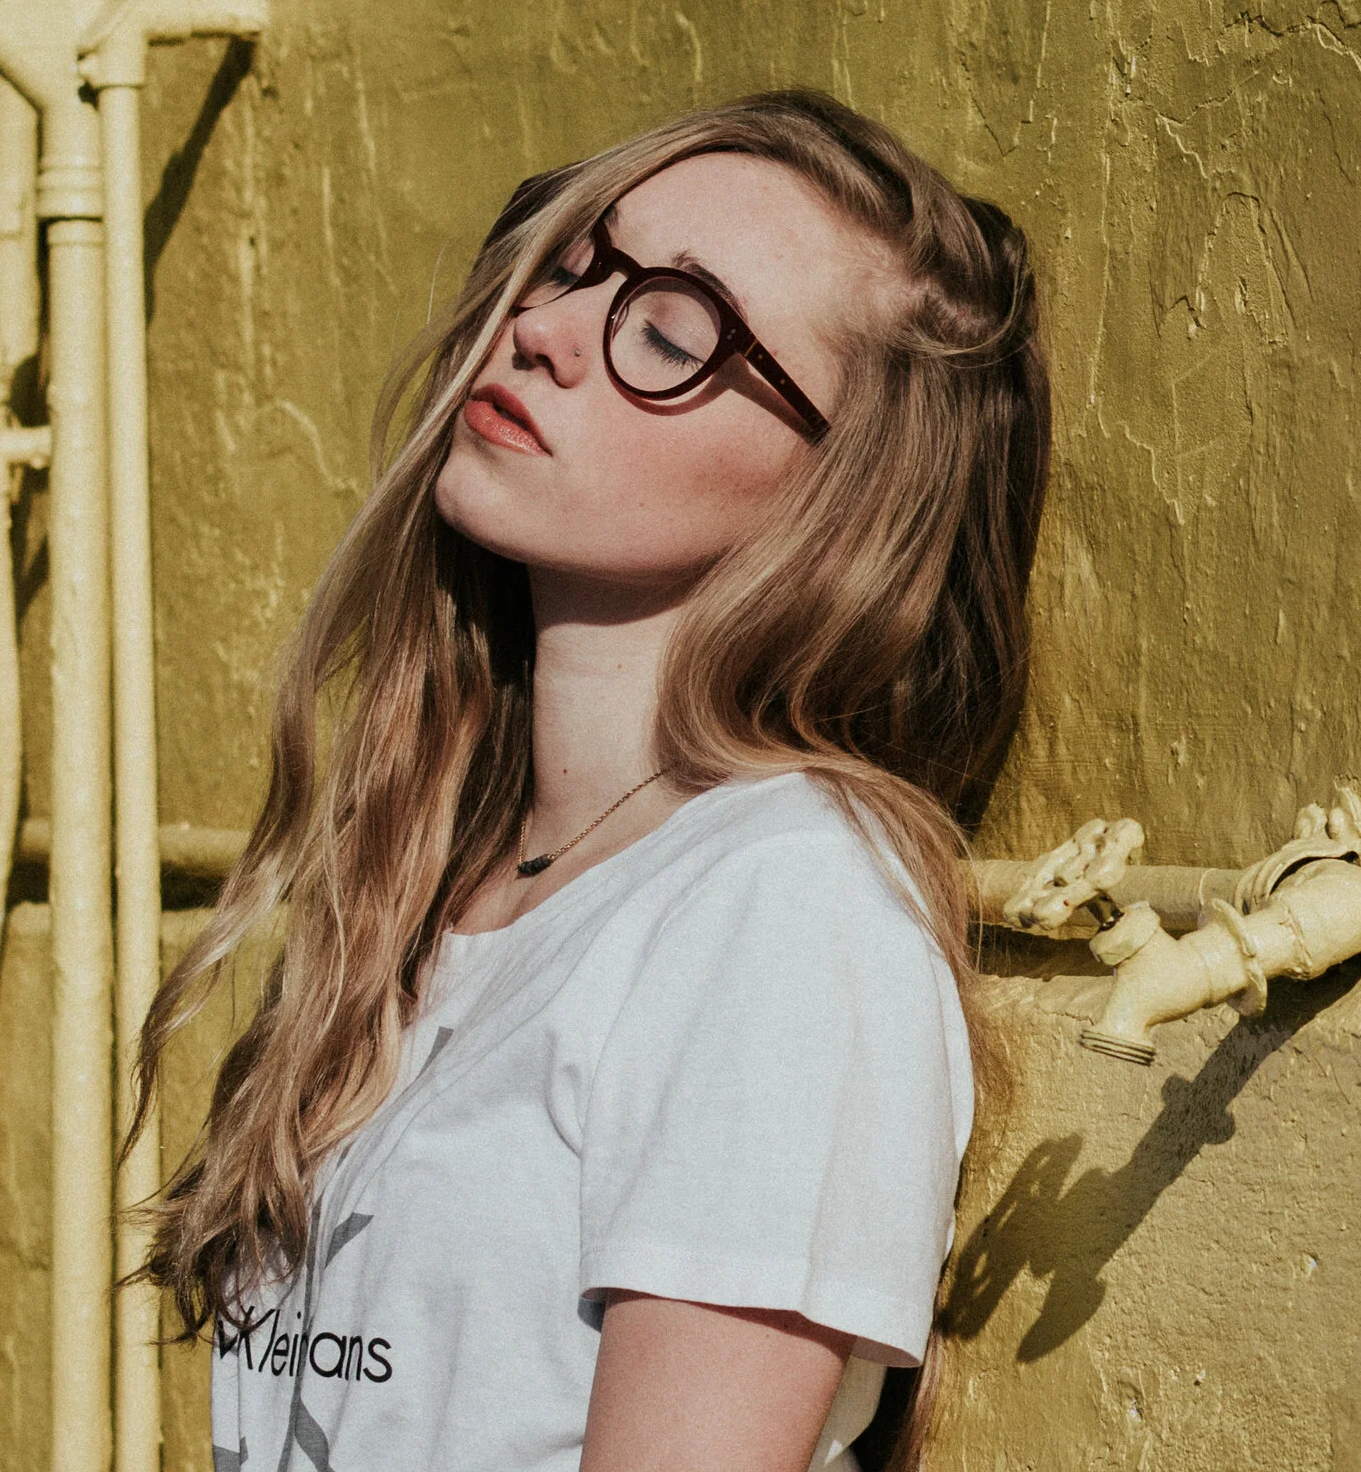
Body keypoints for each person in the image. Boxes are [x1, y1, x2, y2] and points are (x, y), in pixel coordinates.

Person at [132, 88, 1051, 1472]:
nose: (548, 329)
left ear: (839, 495)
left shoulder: (782, 915)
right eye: (569, 264)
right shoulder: (440, 879)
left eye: (671, 333)